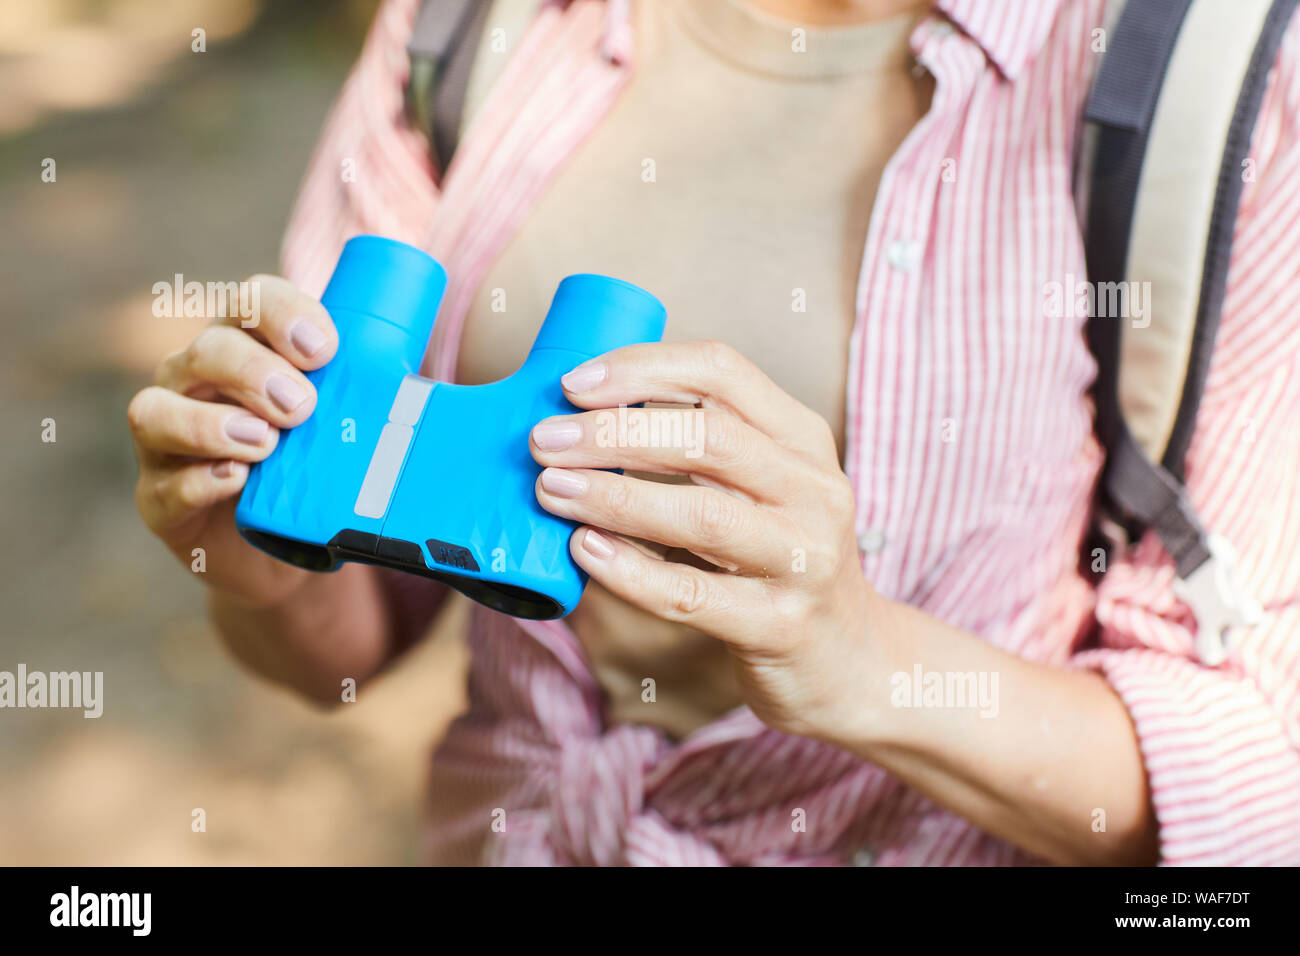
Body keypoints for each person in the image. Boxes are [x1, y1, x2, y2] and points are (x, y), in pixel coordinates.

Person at [127, 0, 1300, 865]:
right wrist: (255, 561)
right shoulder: (470, 23)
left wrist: (859, 659)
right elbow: (344, 652)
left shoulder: (1209, 72)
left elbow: (1264, 785)